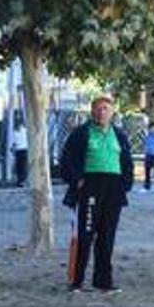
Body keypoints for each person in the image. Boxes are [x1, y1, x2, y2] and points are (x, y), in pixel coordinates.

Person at [59, 93, 134, 293]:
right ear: (92, 112)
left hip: (113, 190)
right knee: (85, 234)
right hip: (90, 188)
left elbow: (127, 162)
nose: (102, 112)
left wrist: (125, 184)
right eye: (98, 109)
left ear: (112, 112)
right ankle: (76, 281)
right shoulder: (82, 133)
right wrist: (78, 181)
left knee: (107, 237)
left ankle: (103, 281)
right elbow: (66, 161)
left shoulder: (119, 135)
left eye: (105, 109)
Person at [11, 117, 28, 187]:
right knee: (22, 166)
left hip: (20, 150)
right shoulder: (25, 131)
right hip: (23, 150)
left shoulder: (15, 132)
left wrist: (12, 149)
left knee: (20, 166)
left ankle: (20, 180)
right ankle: (21, 180)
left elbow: (14, 143)